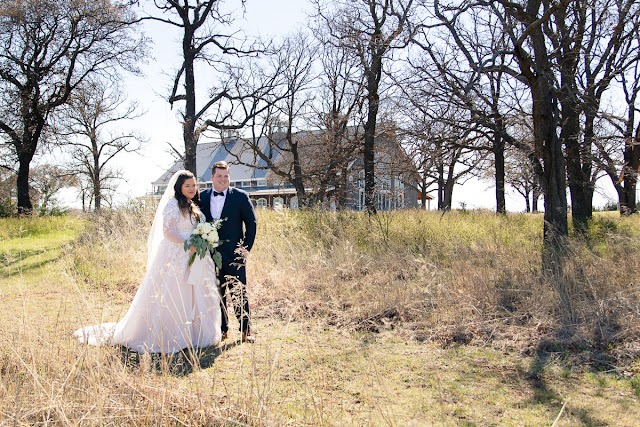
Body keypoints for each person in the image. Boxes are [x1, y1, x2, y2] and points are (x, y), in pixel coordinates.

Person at [73, 170, 222, 353]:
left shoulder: (193, 206)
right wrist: (188, 243)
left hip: (196, 256)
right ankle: (170, 334)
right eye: (187, 185)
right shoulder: (172, 205)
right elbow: (168, 232)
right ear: (179, 187)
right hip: (177, 255)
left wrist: (203, 240)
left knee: (196, 293)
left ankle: (194, 333)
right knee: (176, 292)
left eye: (194, 185)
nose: (192, 188)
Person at [199, 161, 257, 343]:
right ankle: (221, 330)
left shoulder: (240, 196)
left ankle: (245, 330)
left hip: (235, 255)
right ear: (212, 177)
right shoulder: (201, 197)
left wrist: (245, 249)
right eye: (219, 176)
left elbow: (252, 223)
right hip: (210, 255)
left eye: (226, 176)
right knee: (217, 293)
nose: (223, 179)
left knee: (239, 293)